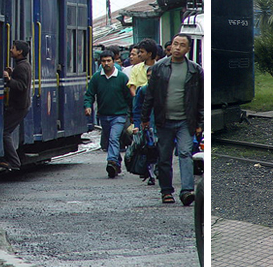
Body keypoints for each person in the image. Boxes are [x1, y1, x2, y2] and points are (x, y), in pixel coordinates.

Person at [142, 33, 203, 205]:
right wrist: (145, 118)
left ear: (188, 49)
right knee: (164, 156)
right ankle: (166, 191)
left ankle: (187, 191)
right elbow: (150, 95)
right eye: (175, 44)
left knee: (185, 153)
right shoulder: (159, 68)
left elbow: (200, 99)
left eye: (182, 45)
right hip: (164, 120)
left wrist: (200, 123)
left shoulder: (194, 70)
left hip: (185, 120)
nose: (177, 47)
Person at [85, 50, 132, 178]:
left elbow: (129, 97)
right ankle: (116, 163)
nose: (106, 64)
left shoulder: (122, 77)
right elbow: (89, 94)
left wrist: (133, 115)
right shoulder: (96, 77)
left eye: (108, 61)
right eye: (104, 61)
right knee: (111, 139)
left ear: (113, 61)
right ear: (100, 63)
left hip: (119, 115)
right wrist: (88, 106)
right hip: (104, 116)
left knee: (113, 138)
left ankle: (111, 161)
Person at [0, 40, 32, 170]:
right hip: (21, 105)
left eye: (13, 48)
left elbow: (21, 86)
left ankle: (14, 162)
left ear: (20, 52)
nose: (11, 50)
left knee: (5, 132)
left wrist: (9, 79)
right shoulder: (23, 65)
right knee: (6, 131)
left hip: (19, 106)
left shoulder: (22, 67)